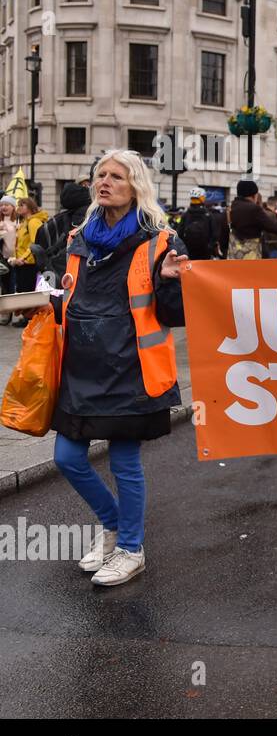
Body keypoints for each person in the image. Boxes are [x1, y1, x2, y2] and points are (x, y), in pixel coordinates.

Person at [44, 150, 189, 586]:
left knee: (125, 463)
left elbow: (174, 314)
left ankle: (130, 548)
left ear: (136, 186)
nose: (105, 182)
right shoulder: (78, 238)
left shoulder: (162, 241)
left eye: (116, 176)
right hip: (81, 367)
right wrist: (44, 300)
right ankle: (113, 527)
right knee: (67, 458)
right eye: (100, 175)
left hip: (132, 368)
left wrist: (170, 281)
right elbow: (64, 295)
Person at [6, 197, 49, 328]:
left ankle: (29, 317)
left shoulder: (33, 222)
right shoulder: (26, 221)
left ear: (29, 207)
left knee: (27, 291)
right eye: (18, 205)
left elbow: (35, 243)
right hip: (22, 262)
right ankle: (27, 317)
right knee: (24, 290)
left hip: (29, 263)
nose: (18, 207)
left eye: (22, 205)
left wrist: (23, 258)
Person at [178, 188, 222, 261]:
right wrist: (210, 247)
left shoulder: (185, 215)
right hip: (205, 251)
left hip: (189, 250)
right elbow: (215, 234)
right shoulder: (208, 215)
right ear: (202, 198)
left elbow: (180, 233)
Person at [0, 195, 20, 322]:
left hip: (17, 260)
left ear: (13, 207)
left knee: (15, 287)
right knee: (5, 287)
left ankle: (16, 313)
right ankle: (5, 313)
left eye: (7, 205)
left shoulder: (19, 222)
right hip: (4, 260)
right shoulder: (0, 222)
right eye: (2, 205)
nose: (3, 207)